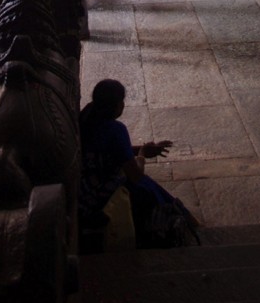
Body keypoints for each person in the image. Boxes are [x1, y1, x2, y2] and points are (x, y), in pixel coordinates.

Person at [78, 79, 198, 249]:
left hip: (86, 185)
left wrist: (140, 150)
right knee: (148, 187)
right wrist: (141, 155)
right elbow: (135, 175)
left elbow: (115, 151)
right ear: (118, 105)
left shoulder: (87, 116)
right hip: (100, 192)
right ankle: (189, 225)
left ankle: (189, 222)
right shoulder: (115, 129)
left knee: (152, 187)